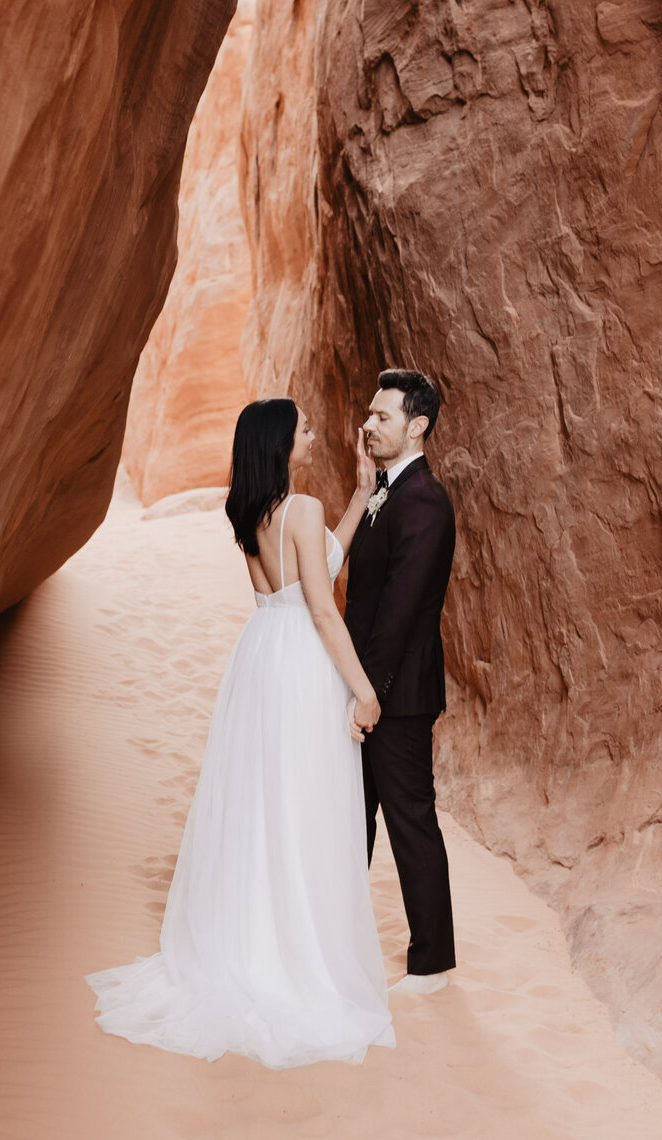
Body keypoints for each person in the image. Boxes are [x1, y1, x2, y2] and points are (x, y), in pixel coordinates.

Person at [86, 398, 395, 1068]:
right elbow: (320, 605)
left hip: (260, 657)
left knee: (263, 802)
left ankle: (251, 941)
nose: (312, 430)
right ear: (281, 440)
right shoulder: (301, 510)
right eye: (305, 425)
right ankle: (295, 956)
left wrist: (360, 496)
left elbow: (315, 566)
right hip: (301, 666)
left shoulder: (250, 515)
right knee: (304, 802)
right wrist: (365, 691)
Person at [345, 370, 456, 996]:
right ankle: (335, 938)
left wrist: (370, 695)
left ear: (418, 427)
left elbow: (399, 610)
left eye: (382, 416)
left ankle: (434, 962)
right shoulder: (387, 491)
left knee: (411, 821)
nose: (369, 423)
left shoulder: (424, 503)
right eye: (369, 411)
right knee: (350, 816)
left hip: (397, 697)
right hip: (369, 687)